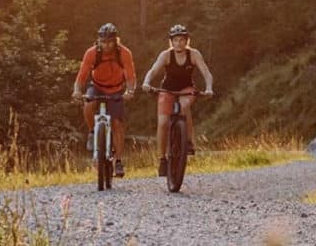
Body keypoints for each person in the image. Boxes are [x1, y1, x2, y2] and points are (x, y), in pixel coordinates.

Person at [142, 23, 214, 176]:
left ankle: (188, 141)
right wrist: (146, 82)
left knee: (184, 106)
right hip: (167, 90)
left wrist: (209, 88)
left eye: (182, 40)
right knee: (162, 122)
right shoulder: (166, 55)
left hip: (186, 89)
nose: (178, 43)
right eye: (175, 40)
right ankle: (162, 159)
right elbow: (153, 70)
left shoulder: (194, 54)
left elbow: (206, 73)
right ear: (171, 41)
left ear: (187, 41)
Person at [72, 23, 136, 177]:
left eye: (110, 42)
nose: (106, 45)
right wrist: (77, 91)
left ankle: (119, 161)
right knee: (88, 104)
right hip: (97, 86)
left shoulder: (124, 53)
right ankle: (93, 131)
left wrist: (130, 91)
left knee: (117, 124)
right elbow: (81, 76)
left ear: (116, 41)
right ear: (98, 41)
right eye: (103, 42)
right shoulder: (92, 53)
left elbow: (130, 76)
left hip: (116, 89)